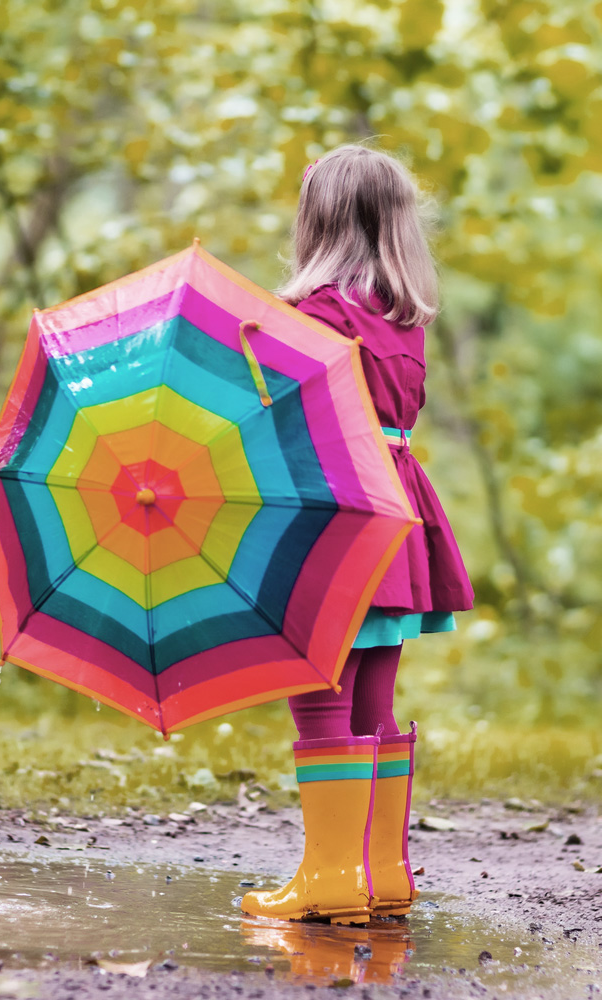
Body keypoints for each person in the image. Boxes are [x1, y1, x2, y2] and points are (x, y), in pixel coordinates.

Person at [241, 145, 474, 925]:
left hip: (333, 514)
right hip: (397, 514)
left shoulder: (310, 318)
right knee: (374, 684)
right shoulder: (403, 317)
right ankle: (381, 871)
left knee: (315, 682)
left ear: (316, 223)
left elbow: (285, 428)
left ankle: (329, 878)